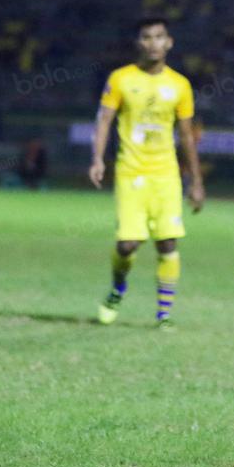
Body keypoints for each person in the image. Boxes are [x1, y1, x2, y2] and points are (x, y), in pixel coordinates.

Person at [89, 17, 204, 330]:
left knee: (167, 243)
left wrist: (196, 181)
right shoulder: (121, 79)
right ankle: (117, 288)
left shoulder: (179, 85)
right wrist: (98, 158)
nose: (153, 43)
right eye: (147, 37)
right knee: (128, 245)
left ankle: (163, 314)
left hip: (166, 174)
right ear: (138, 43)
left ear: (169, 42)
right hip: (131, 172)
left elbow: (186, 135)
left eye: (159, 37)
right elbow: (103, 121)